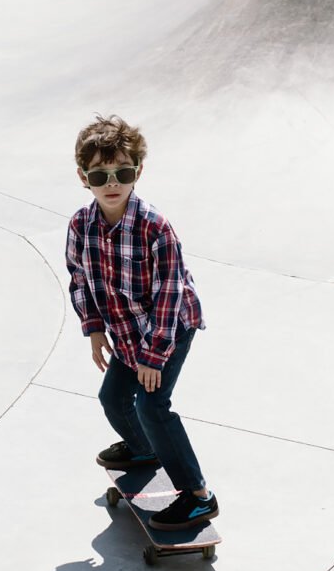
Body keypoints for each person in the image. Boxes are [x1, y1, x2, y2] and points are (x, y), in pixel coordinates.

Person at [65, 114, 219, 531]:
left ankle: (198, 496)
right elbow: (79, 278)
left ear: (138, 172)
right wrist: (93, 328)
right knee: (113, 398)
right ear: (84, 177)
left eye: (123, 172)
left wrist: (153, 357)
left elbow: (170, 293)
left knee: (153, 406)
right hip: (125, 333)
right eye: (100, 175)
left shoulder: (155, 227)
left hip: (169, 330)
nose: (112, 182)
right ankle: (145, 450)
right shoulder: (81, 225)